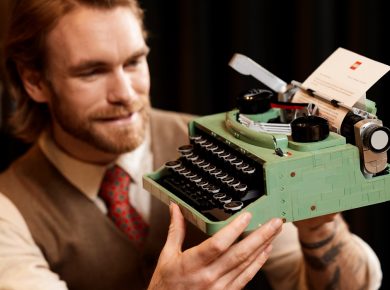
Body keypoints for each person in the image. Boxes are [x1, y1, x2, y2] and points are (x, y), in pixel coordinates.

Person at [0, 0, 382, 289]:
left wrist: (319, 228)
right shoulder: (9, 208)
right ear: (34, 81)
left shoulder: (215, 139)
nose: (125, 93)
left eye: (134, 62)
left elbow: (313, 280)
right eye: (92, 72)